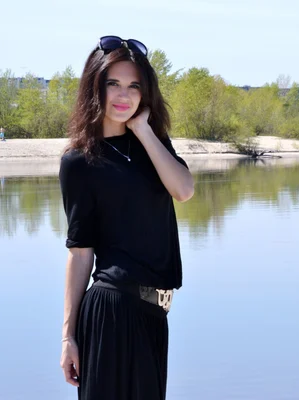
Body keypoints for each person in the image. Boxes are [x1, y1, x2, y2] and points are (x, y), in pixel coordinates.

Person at [58, 35, 194, 400]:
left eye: (134, 86)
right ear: (95, 87)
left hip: (154, 314)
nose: (124, 95)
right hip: (112, 310)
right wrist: (68, 336)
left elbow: (183, 190)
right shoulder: (79, 161)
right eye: (113, 84)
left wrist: (144, 131)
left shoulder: (153, 143)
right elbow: (80, 251)